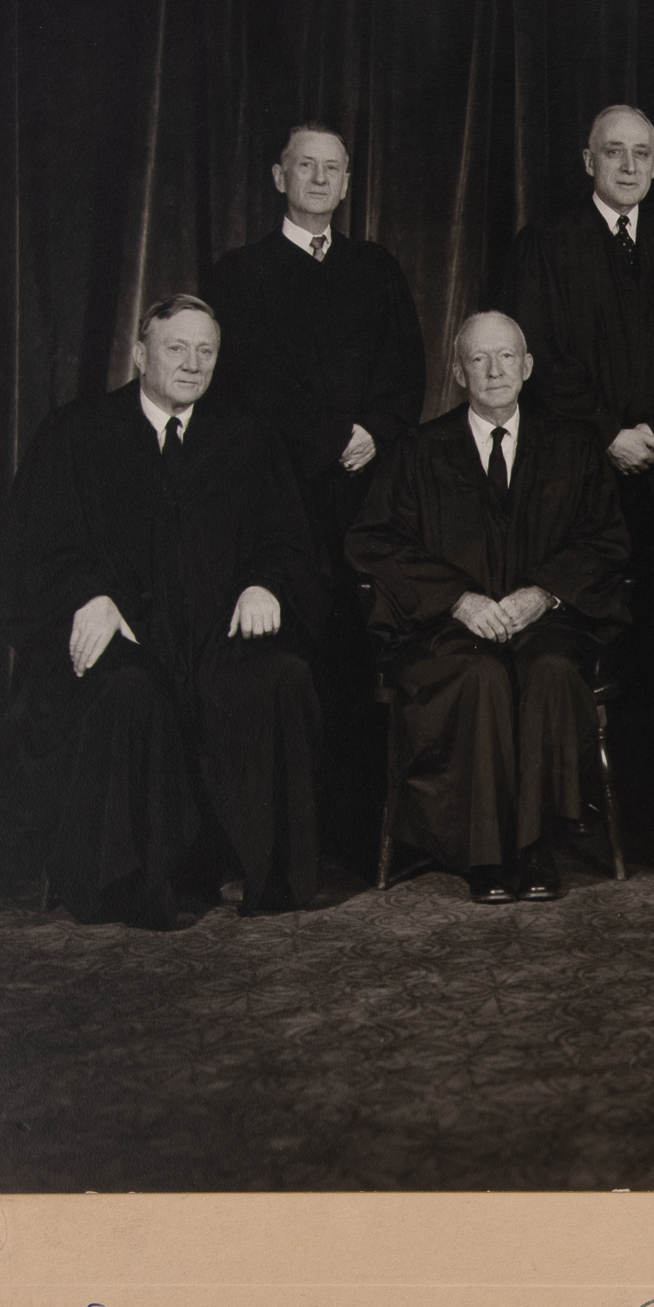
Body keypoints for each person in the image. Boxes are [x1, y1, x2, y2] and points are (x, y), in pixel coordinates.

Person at [0, 295, 326, 929]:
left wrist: (265, 584)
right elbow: (32, 549)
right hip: (122, 642)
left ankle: (271, 880)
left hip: (213, 639)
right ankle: (136, 886)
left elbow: (288, 541)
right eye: (176, 348)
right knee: (129, 692)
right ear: (140, 353)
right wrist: (85, 596)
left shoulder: (246, 437)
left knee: (278, 676)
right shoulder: (77, 432)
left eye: (206, 351)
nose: (192, 363)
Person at [345, 312, 630, 904]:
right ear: (457, 371)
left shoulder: (572, 446)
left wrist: (542, 592)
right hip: (447, 631)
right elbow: (374, 541)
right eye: (479, 359)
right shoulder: (420, 451)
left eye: (507, 358)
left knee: (550, 671)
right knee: (480, 677)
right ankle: (486, 854)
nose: (495, 371)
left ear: (527, 367)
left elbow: (604, 539)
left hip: (545, 622)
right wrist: (457, 600)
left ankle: (536, 846)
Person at [203, 121, 427, 866]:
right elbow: (247, 385)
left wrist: (374, 431)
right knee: (293, 662)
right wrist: (332, 436)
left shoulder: (376, 268)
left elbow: (406, 371)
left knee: (364, 662)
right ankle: (290, 844)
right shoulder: (241, 273)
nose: (321, 179)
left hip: (368, 495)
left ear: (347, 181)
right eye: (307, 166)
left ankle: (364, 840)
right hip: (283, 499)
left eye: (334, 168)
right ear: (279, 177)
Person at [507, 103, 654, 580]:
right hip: (577, 462)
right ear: (589, 162)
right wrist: (608, 433)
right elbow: (539, 356)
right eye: (614, 152)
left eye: (641, 154)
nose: (629, 167)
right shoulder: (545, 244)